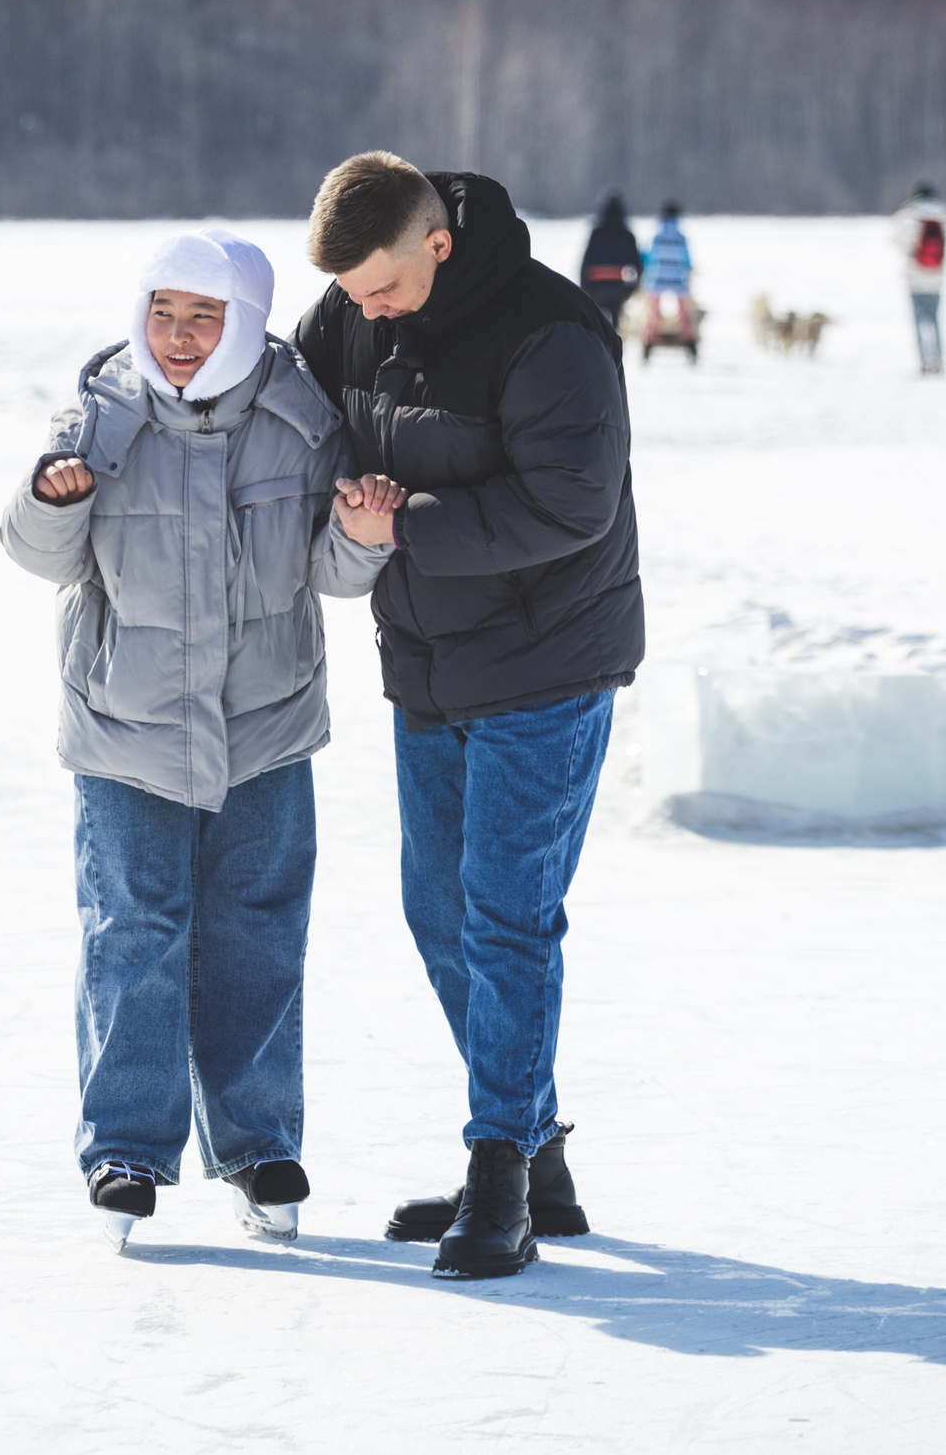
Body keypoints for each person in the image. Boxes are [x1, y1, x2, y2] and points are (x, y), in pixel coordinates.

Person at [0, 227, 405, 1253]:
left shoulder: (299, 419)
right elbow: (35, 553)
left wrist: (359, 535)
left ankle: (259, 1143)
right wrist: (54, 500)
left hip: (264, 725)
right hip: (126, 729)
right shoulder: (102, 413)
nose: (177, 337)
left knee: (257, 933)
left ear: (246, 321)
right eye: (163, 313)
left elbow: (328, 570)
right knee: (131, 931)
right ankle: (125, 1148)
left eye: (203, 316)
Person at [293, 153, 644, 1281]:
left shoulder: (552, 330)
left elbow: (572, 505)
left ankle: (499, 1165)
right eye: (350, 293)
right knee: (437, 908)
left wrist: (408, 527)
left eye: (382, 287)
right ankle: (534, 1151)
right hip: (428, 661)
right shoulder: (355, 310)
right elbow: (287, 405)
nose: (365, 311)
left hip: (547, 661)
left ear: (436, 241)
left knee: (504, 914)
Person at [891, 179, 946, 373]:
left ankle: (924, 362)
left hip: (915, 280)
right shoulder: (943, 217)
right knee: (935, 322)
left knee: (919, 324)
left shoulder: (910, 218)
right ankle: (939, 361)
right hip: (936, 280)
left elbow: (898, 241)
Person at [576, 192, 642, 334]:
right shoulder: (627, 235)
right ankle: (614, 352)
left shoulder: (596, 233)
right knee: (616, 325)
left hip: (597, 287)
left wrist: (584, 288)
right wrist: (632, 288)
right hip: (619, 287)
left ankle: (601, 350)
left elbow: (586, 262)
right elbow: (637, 264)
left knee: (598, 324)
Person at [643, 200, 698, 365]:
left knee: (653, 315)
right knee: (684, 315)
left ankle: (647, 344)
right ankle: (690, 344)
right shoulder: (681, 237)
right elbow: (687, 260)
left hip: (657, 281)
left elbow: (648, 258)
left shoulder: (656, 237)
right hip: (678, 281)